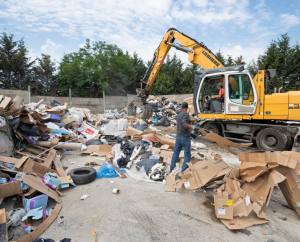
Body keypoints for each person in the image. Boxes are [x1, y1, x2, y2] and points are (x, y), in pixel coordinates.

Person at [170, 102, 193, 173]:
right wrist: (191, 126)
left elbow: (182, 122)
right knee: (187, 155)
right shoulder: (186, 114)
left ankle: (172, 168)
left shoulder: (178, 115)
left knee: (176, 153)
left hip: (178, 137)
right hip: (185, 137)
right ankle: (183, 171)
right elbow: (184, 123)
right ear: (187, 108)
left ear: (181, 107)